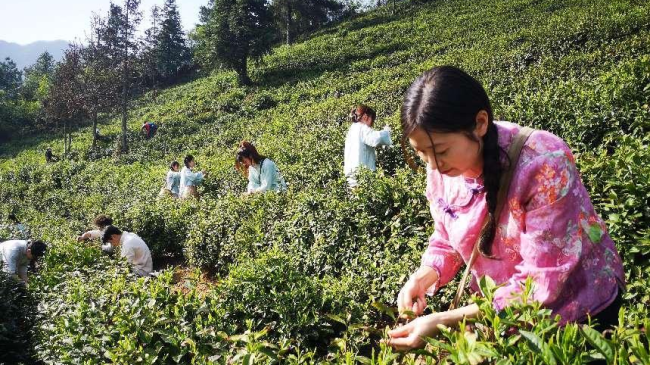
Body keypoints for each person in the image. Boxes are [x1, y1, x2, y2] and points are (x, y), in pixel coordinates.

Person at [386, 66, 625, 351]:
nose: (432, 164)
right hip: (506, 316)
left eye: (441, 150)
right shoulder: (442, 172)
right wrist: (425, 276)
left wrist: (444, 322)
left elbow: (544, 280)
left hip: (581, 312)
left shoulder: (544, 162)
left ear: (480, 123)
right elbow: (446, 234)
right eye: (420, 152)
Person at [343, 104, 392, 187]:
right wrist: (387, 132)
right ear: (365, 116)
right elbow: (374, 139)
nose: (371, 125)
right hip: (361, 174)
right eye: (372, 120)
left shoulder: (352, 129)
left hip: (351, 172)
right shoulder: (362, 128)